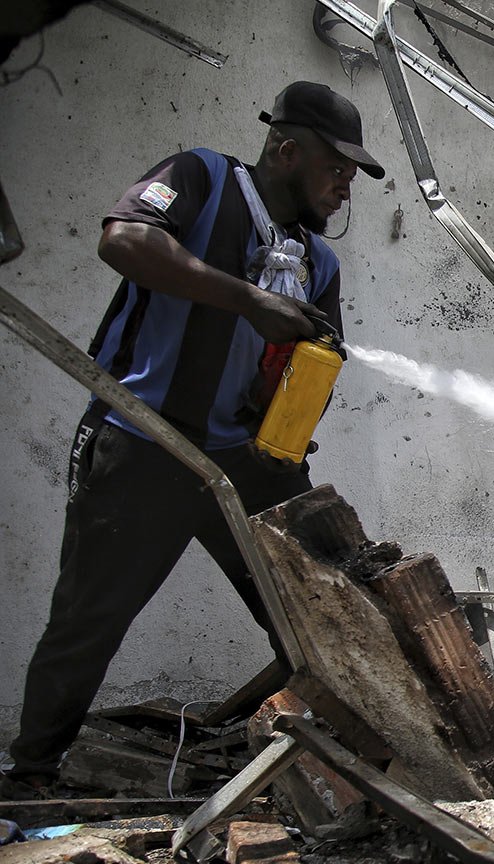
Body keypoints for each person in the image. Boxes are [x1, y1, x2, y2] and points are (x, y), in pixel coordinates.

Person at [4, 81, 385, 791]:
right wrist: (248, 298)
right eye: (336, 170)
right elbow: (124, 241)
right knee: (90, 616)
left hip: (247, 459)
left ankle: (341, 767)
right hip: (145, 440)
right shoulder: (203, 179)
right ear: (286, 149)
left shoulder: (318, 263)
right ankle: (31, 773)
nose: (346, 189)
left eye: (352, 177)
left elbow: (311, 365)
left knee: (312, 608)